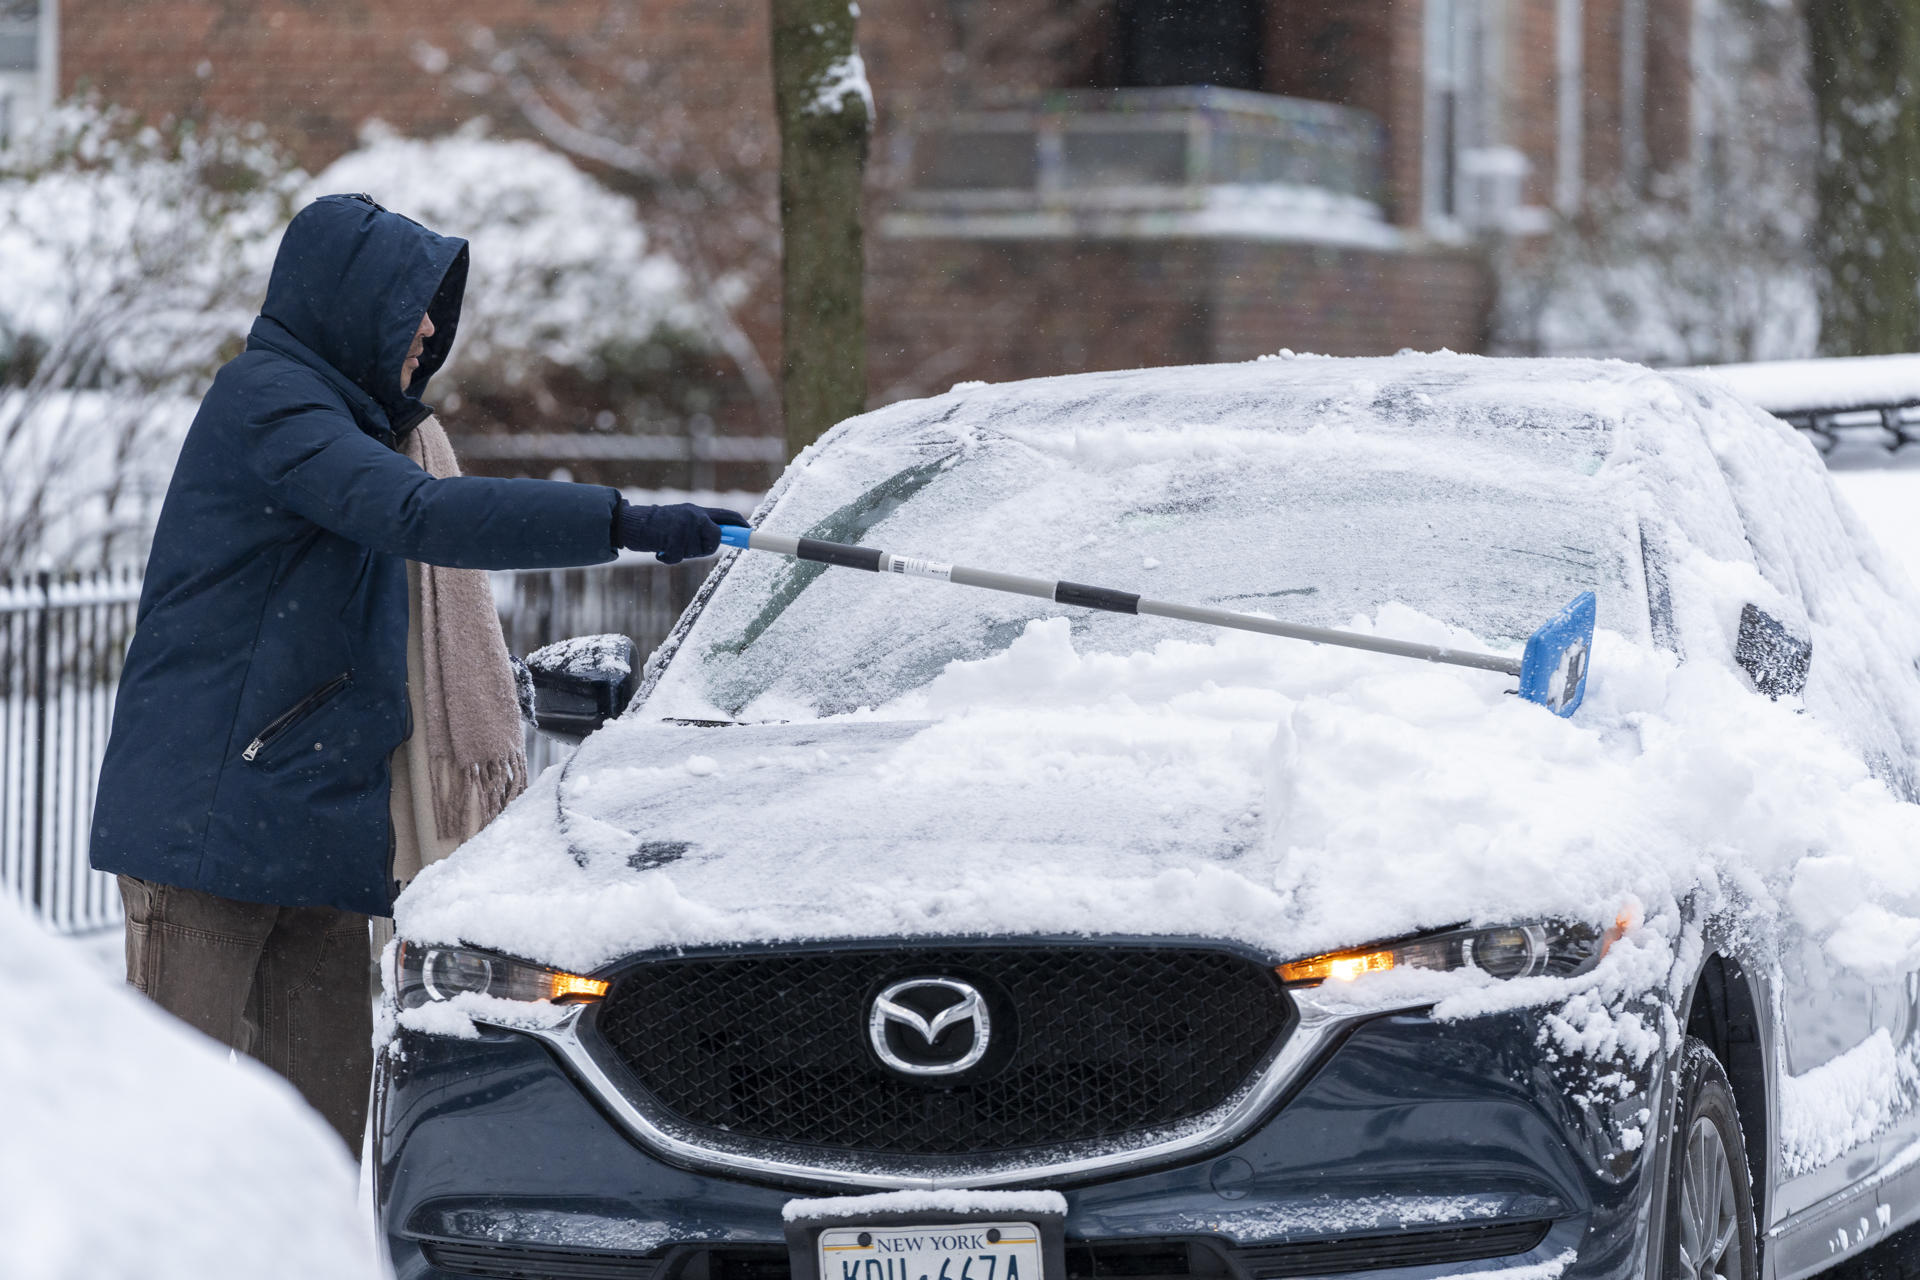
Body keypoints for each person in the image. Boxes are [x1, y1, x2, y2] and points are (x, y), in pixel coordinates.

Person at [88, 193, 745, 1151]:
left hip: (317, 828)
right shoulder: (271, 405)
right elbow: (419, 515)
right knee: (164, 1137)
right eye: (413, 304)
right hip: (207, 829)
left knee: (321, 1143)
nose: (432, 327)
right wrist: (620, 521)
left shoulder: (349, 425)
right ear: (350, 307)